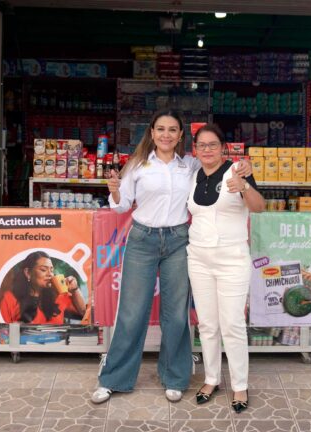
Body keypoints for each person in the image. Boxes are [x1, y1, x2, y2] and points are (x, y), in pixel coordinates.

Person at [92, 110, 251, 404]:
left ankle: (175, 377)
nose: (166, 134)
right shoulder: (137, 165)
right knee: (131, 312)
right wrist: (114, 192)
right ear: (151, 133)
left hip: (178, 241)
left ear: (180, 136)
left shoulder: (190, 165)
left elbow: (220, 165)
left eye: (173, 130)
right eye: (161, 129)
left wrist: (244, 166)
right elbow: (121, 205)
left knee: (176, 314)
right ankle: (113, 379)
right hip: (142, 239)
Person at [186, 124, 264, 414]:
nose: (207, 150)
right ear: (195, 150)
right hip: (198, 259)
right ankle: (211, 378)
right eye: (202, 145)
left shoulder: (238, 171)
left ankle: (240, 384)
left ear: (223, 147)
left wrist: (244, 187)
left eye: (213, 144)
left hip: (232, 259)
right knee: (207, 324)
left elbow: (259, 207)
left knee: (231, 324)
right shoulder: (192, 176)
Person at [0, 251, 86, 325]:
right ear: (28, 273)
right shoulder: (10, 298)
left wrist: (75, 289)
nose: (50, 274)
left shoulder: (59, 295)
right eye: (44, 270)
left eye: (52, 270)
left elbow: (84, 313)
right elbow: (3, 331)